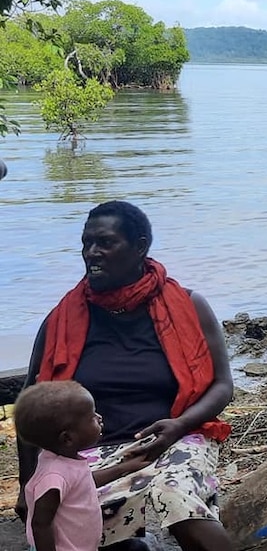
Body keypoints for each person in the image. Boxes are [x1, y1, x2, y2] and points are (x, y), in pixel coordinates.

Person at [16, 200, 235, 551]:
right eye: (86, 243)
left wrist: (179, 425)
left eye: (105, 243)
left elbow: (223, 385)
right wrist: (29, 485)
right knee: (65, 518)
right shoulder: (62, 319)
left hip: (174, 440)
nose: (92, 253)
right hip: (88, 453)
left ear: (140, 246)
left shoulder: (188, 306)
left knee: (175, 494)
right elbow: (31, 403)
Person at [16, 381, 151, 551]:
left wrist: (124, 468)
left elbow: (83, 482)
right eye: (92, 417)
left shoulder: (64, 459)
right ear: (68, 438)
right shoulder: (53, 478)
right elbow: (40, 525)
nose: (99, 418)